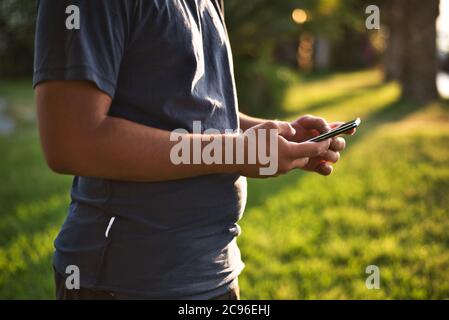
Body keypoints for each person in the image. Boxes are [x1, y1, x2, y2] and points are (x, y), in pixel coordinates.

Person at [34, 0, 353, 300]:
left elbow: (197, 109)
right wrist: (239, 152)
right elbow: (73, 142)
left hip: (216, 270)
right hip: (128, 282)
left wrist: (275, 133)